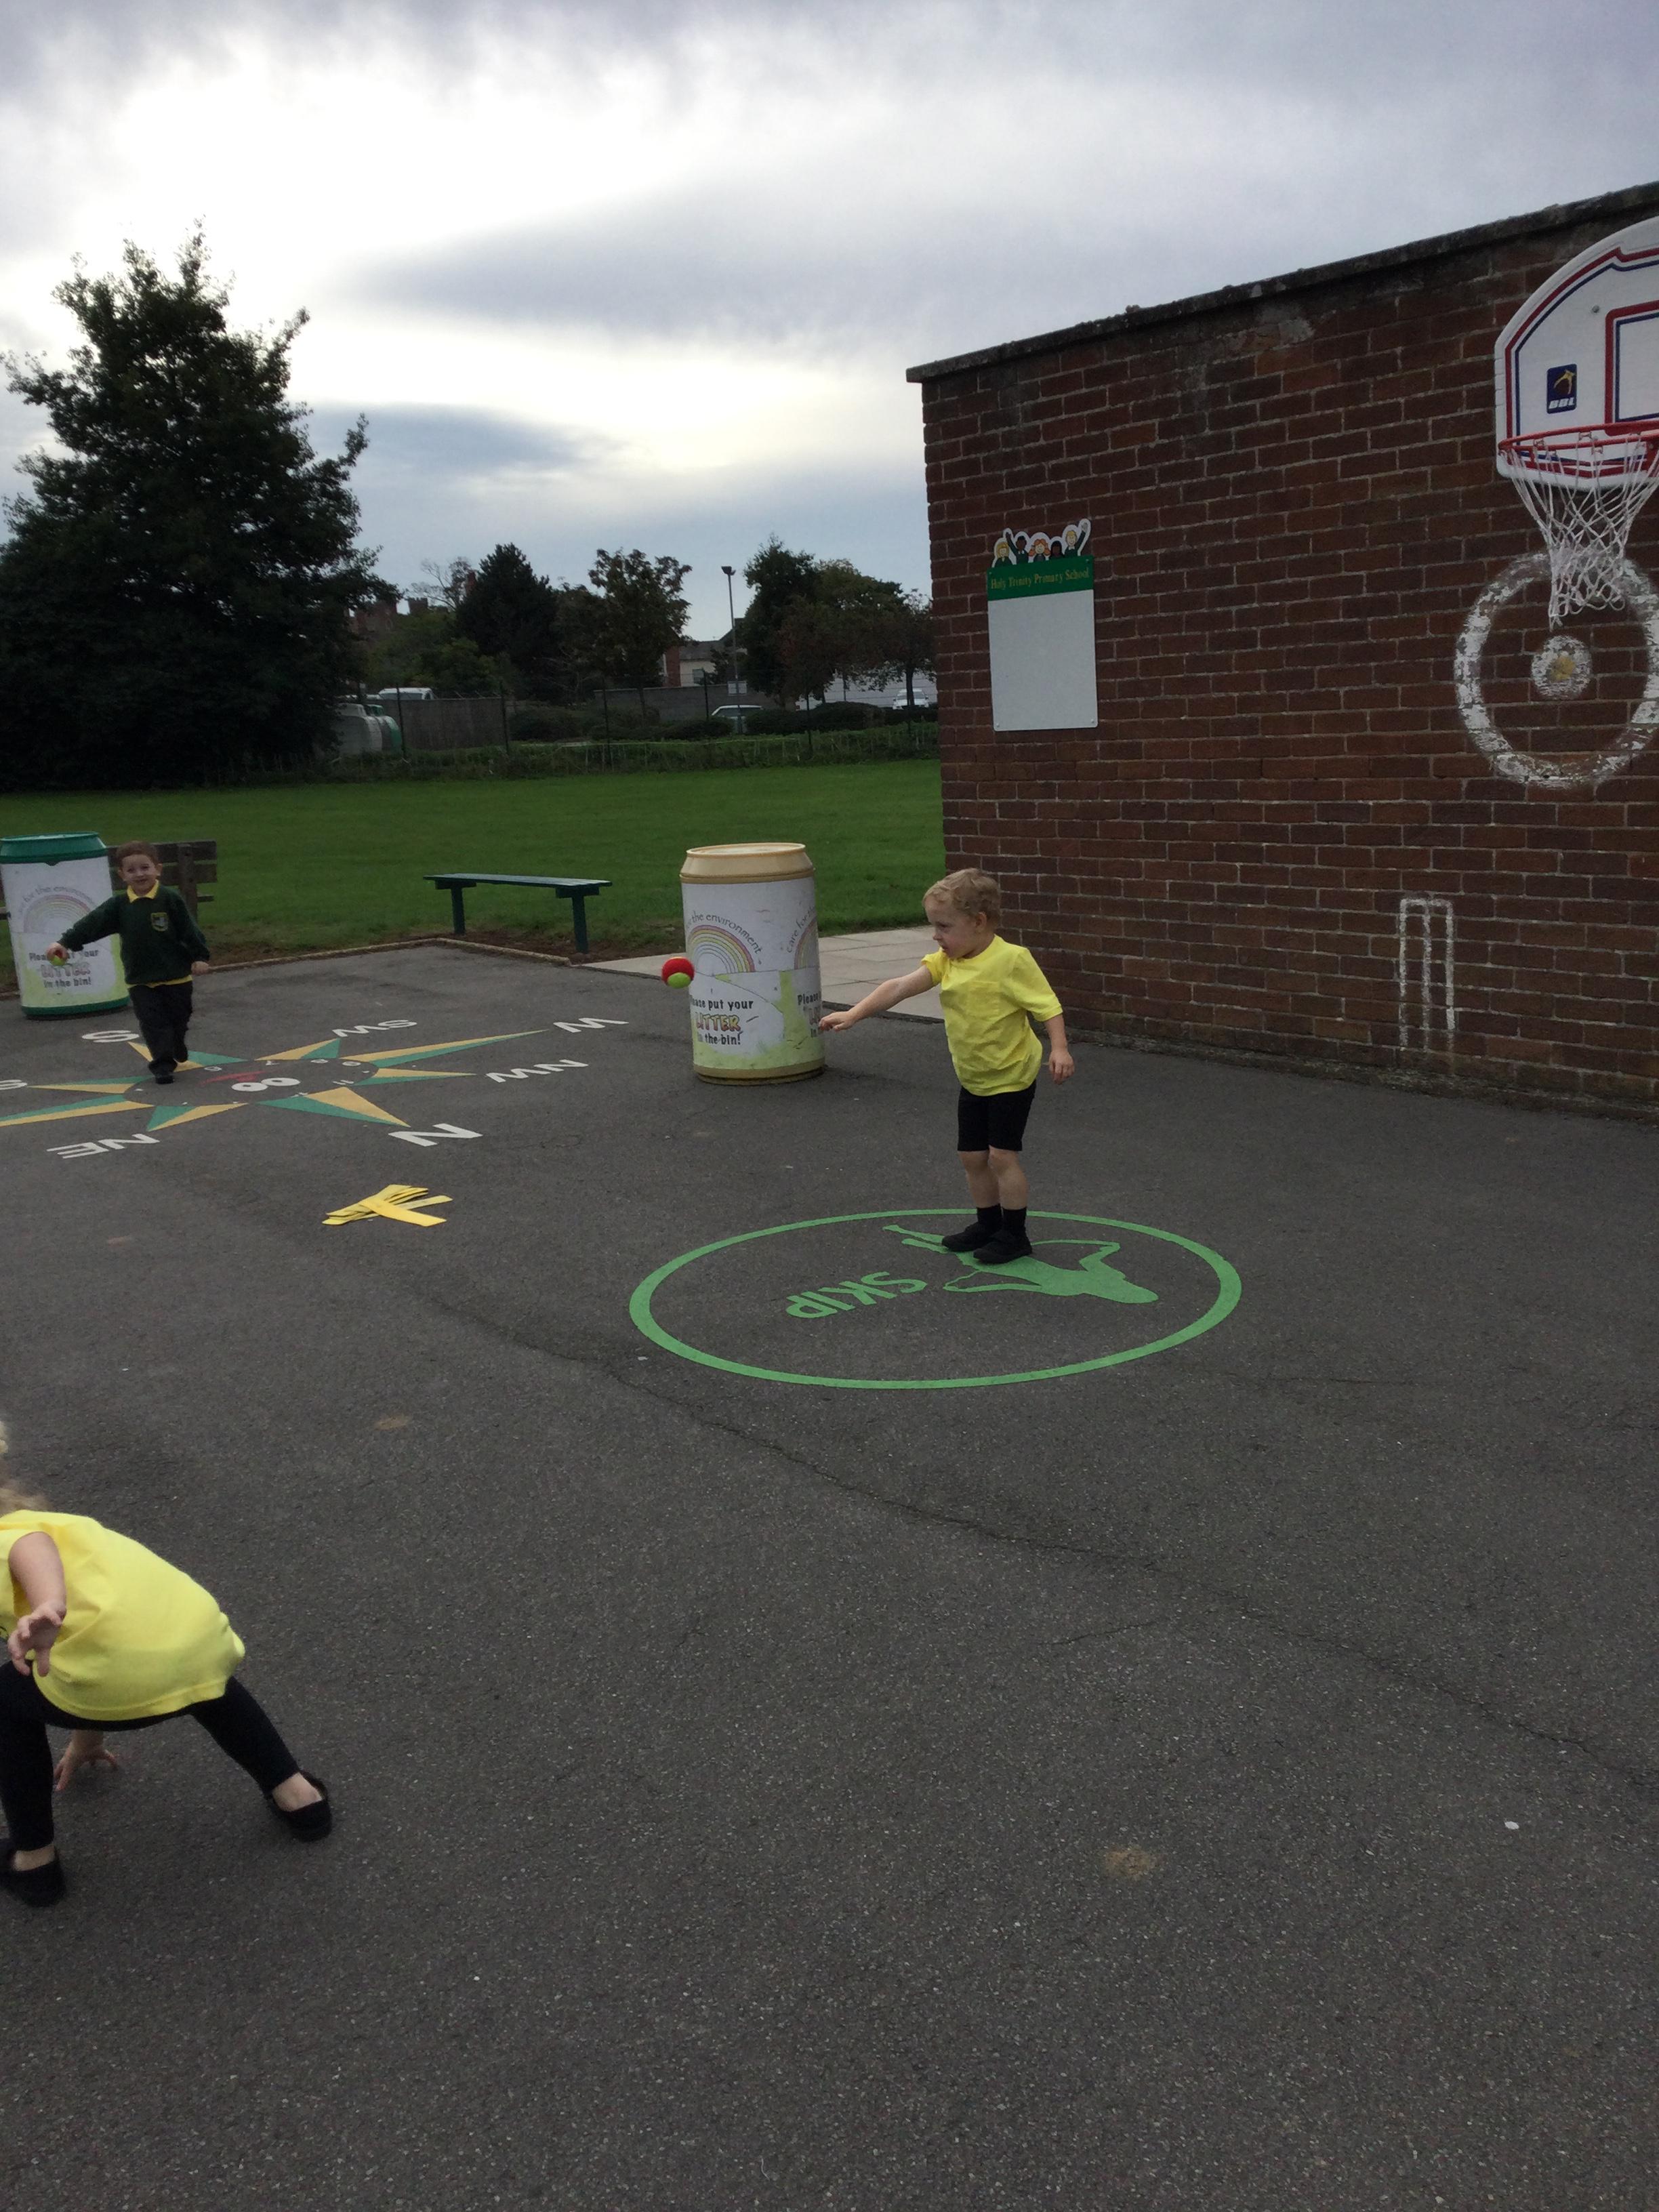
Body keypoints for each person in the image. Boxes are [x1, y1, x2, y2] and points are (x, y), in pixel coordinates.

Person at [1, 1429, 329, 1909]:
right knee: (203, 1683)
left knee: (6, 1701)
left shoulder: (15, 1537)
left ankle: (34, 1862)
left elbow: (28, 1549)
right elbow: (98, 1637)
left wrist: (49, 1601)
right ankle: (299, 1797)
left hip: (119, 1673)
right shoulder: (47, 1522)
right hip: (199, 1641)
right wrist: (86, 1740)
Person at [819, 867, 1074, 1264]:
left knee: (1001, 1157)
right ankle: (987, 1224)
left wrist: (1059, 1049)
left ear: (979, 922)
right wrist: (854, 1014)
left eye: (944, 927)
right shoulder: (947, 961)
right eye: (933, 926)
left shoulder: (1011, 960)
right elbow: (900, 986)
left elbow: (1048, 1006)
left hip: (1011, 1074)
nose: (936, 936)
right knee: (972, 1157)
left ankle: (1015, 1235)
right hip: (973, 1076)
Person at [47, 840, 210, 1084]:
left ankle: (176, 1043)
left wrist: (200, 956)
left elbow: (189, 930)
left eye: (145, 868)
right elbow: (92, 924)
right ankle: (162, 1064)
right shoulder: (119, 906)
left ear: (158, 869)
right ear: (122, 875)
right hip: (140, 979)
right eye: (132, 870)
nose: (139, 874)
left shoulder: (170, 899)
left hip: (176, 976)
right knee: (153, 1023)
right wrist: (65, 943)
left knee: (179, 1019)